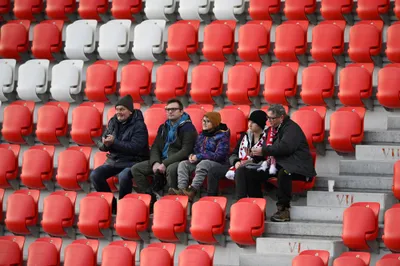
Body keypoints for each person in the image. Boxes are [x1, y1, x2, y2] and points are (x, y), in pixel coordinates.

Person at [251, 104, 316, 222]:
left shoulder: (291, 128)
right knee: (251, 172)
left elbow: (285, 148)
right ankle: (256, 209)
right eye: (268, 118)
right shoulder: (272, 129)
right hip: (279, 163)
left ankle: (283, 210)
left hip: (298, 166)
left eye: (272, 118)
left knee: (284, 173)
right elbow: (268, 146)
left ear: (281, 117)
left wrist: (264, 151)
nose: (269, 121)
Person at [131, 98, 198, 208]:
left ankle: (172, 202)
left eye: (173, 109)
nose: (170, 112)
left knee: (171, 169)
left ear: (181, 111)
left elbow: (186, 151)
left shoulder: (188, 128)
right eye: (167, 109)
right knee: (136, 169)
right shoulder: (163, 127)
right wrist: (155, 163)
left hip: (178, 160)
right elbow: (155, 147)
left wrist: (165, 163)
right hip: (161, 159)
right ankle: (151, 196)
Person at [90, 95, 149, 213]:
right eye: (117, 109)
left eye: (122, 109)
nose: (118, 112)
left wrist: (114, 142)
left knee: (124, 176)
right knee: (95, 175)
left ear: (130, 111)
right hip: (115, 160)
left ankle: (123, 206)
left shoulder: (139, 125)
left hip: (134, 160)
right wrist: (105, 144)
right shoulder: (113, 122)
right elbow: (102, 143)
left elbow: (136, 148)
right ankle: (112, 206)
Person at [207, 110, 270, 200]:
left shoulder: (268, 137)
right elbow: (234, 154)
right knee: (213, 171)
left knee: (241, 171)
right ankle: (211, 201)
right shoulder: (245, 136)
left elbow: (268, 157)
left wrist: (252, 160)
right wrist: (236, 162)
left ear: (260, 124)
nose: (250, 124)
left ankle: (240, 201)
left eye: (253, 122)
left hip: (258, 167)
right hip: (240, 164)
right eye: (249, 121)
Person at [171, 112, 230, 201]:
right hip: (201, 161)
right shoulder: (202, 135)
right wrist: (192, 156)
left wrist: (200, 156)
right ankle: (182, 189)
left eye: (208, 121)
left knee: (204, 163)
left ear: (214, 123)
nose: (204, 123)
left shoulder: (222, 136)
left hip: (218, 164)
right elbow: (196, 150)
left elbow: (219, 156)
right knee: (183, 164)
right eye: (203, 121)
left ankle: (192, 190)